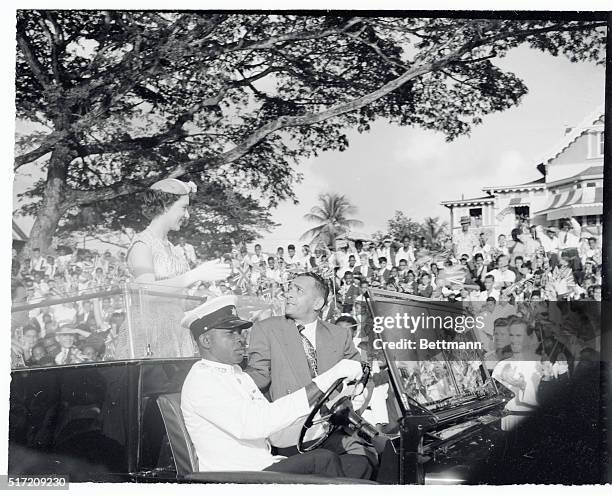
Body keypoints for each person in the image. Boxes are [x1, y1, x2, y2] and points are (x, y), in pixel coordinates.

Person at [181, 295, 363, 475]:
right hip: (238, 477)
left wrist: (324, 423)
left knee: (359, 464)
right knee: (323, 460)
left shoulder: (236, 374)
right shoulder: (203, 381)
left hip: (264, 466)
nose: (240, 339)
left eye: (239, 332)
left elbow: (276, 435)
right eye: (230, 333)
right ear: (206, 341)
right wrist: (329, 378)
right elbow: (258, 424)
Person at [246, 272, 376, 479]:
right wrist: (232, 380)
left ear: (317, 303)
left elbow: (363, 377)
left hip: (335, 431)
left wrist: (356, 397)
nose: (288, 294)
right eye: (289, 289)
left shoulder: (339, 334)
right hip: (292, 436)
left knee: (371, 462)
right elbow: (257, 376)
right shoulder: (267, 329)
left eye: (298, 290)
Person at [123, 178, 231, 358]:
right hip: (150, 335)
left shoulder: (173, 249)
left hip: (176, 331)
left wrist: (206, 299)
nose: (187, 215)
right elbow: (146, 293)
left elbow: (176, 299)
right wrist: (196, 274)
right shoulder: (142, 245)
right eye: (183, 207)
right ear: (165, 206)